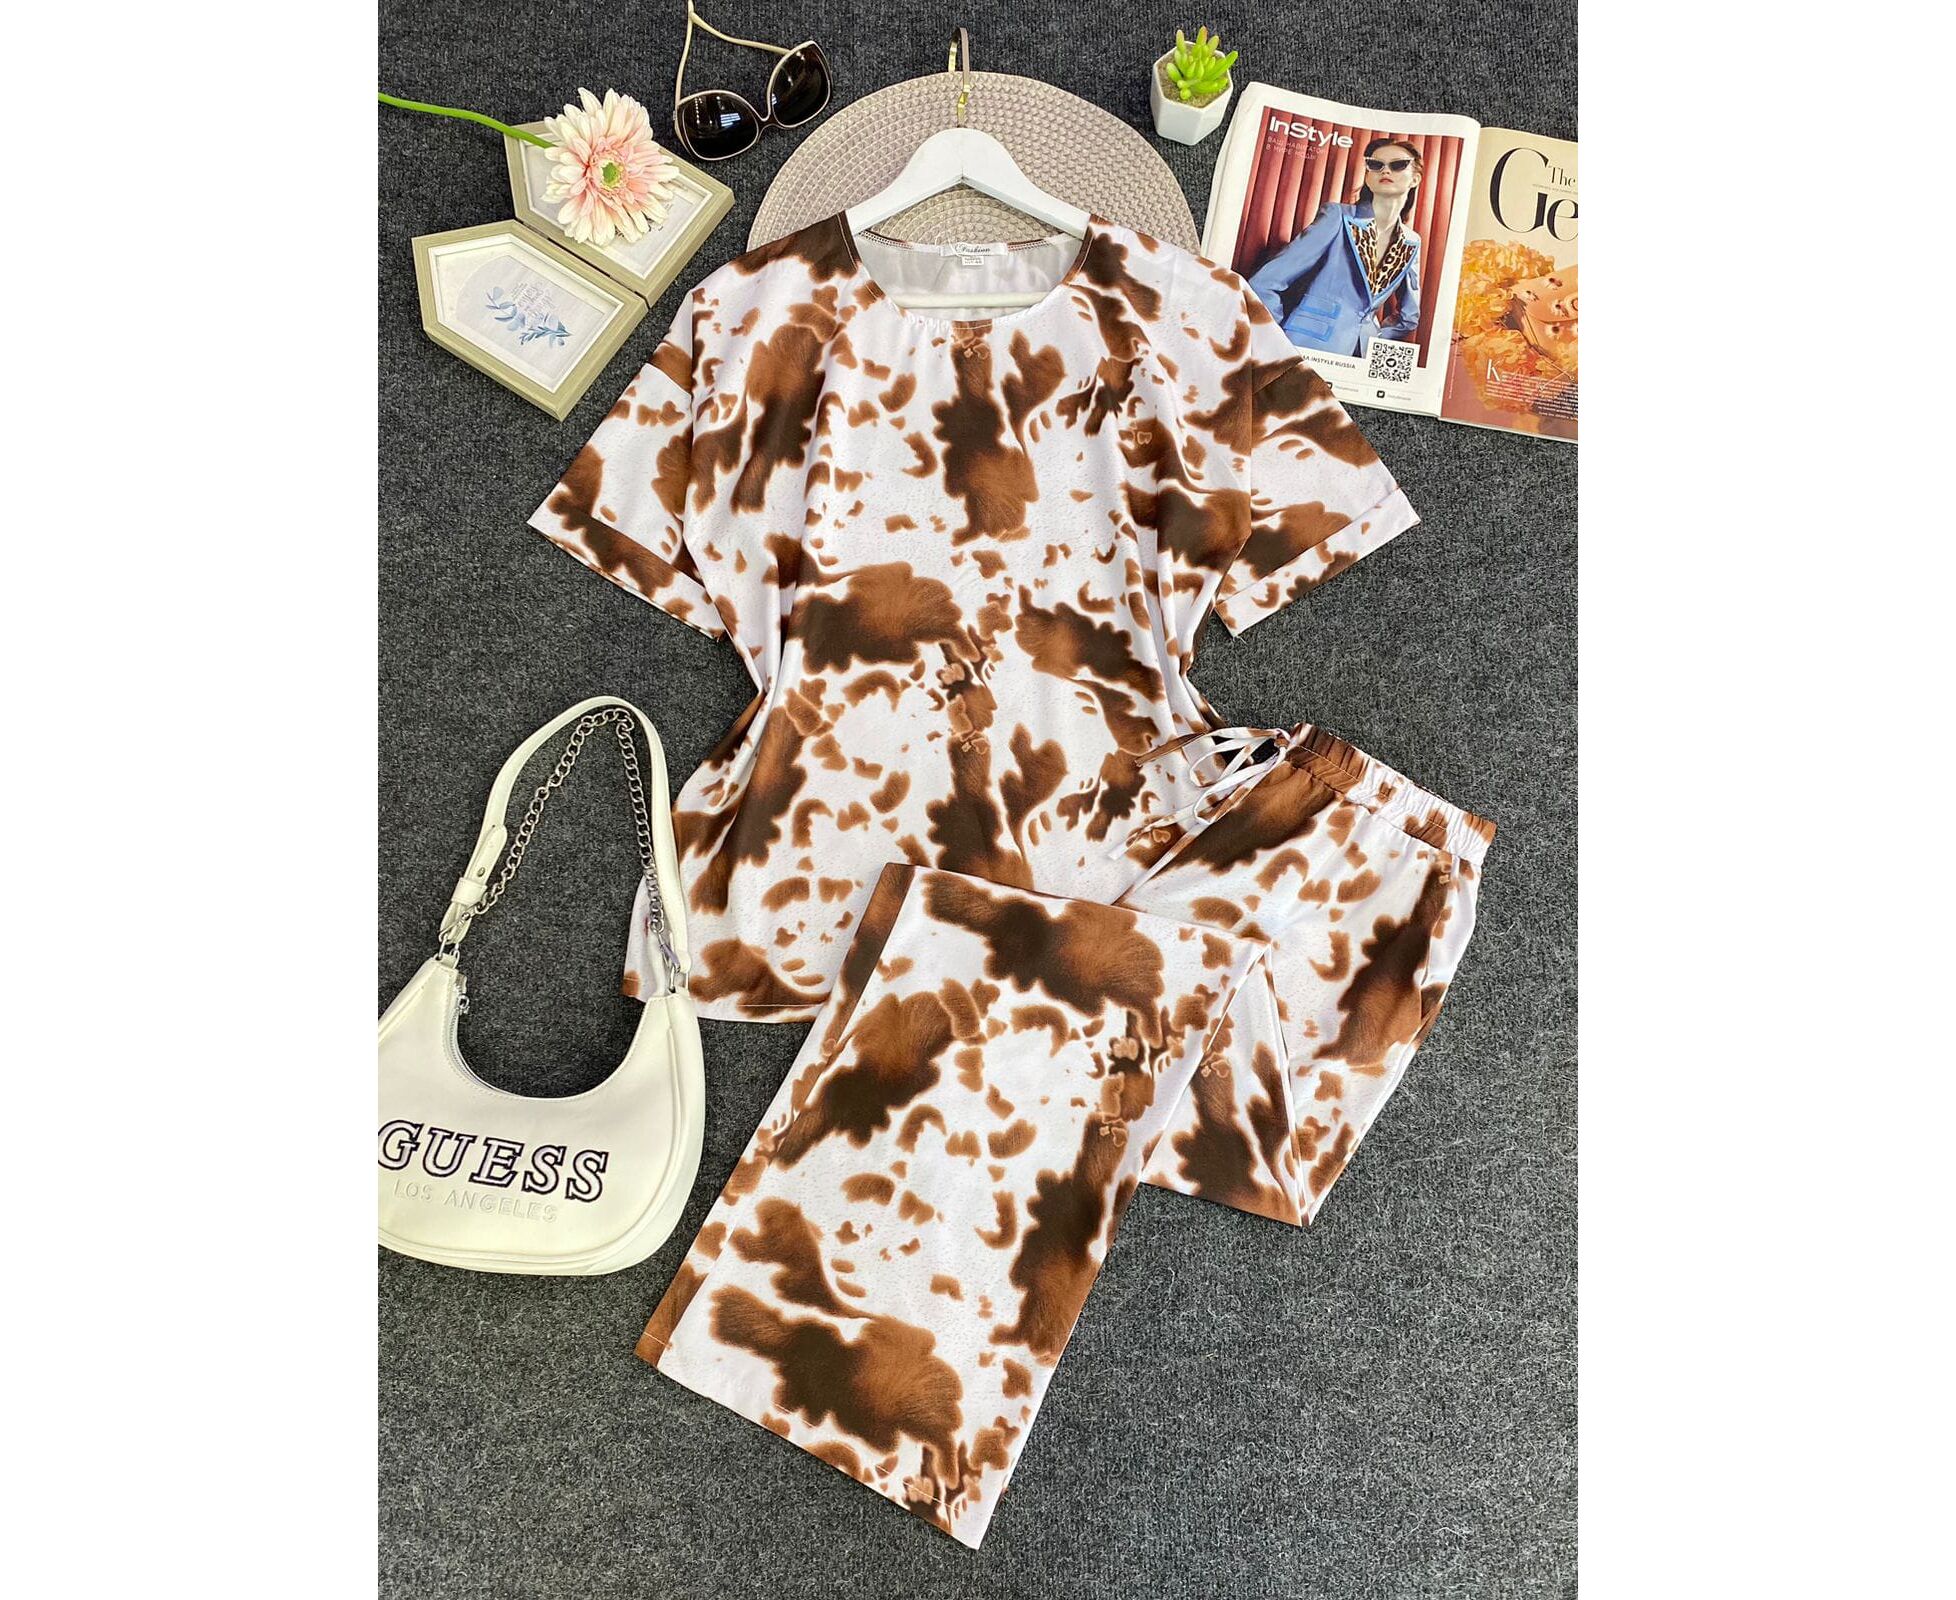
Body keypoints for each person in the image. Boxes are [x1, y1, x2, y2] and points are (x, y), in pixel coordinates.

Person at [1248, 137, 1424, 357]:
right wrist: (1276, 337)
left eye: (1398, 165)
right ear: (1368, 176)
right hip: (1305, 345)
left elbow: (1409, 316)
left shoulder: (1411, 241)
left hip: (1361, 356)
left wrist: (1373, 337)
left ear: (1415, 179)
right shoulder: (1338, 217)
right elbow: (1265, 282)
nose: (1385, 170)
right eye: (1376, 164)